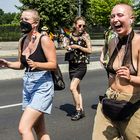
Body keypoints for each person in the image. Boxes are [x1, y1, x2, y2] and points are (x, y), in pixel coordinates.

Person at [0, 9, 57, 140]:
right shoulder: (22, 40)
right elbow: (21, 64)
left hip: (42, 86)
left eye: (26, 19)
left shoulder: (44, 40)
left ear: (35, 23)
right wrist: (7, 63)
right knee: (40, 130)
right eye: (21, 19)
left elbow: (53, 64)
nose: (22, 22)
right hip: (28, 86)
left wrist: (38, 64)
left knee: (24, 128)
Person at [92, 3, 140, 140]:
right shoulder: (112, 42)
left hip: (132, 104)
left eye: (120, 15)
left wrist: (130, 78)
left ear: (131, 19)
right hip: (110, 99)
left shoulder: (138, 42)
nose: (115, 19)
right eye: (112, 16)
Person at [65, 16, 92, 121]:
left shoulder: (86, 36)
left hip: (81, 65)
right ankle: (81, 109)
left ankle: (78, 111)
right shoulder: (70, 35)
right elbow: (66, 46)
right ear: (75, 25)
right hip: (72, 65)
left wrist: (78, 47)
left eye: (83, 26)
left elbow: (89, 50)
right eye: (79, 25)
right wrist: (67, 47)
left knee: (72, 87)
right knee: (77, 89)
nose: (82, 27)